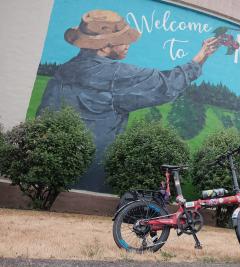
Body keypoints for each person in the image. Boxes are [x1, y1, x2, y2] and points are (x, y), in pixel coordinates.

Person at [38, 10, 219, 192]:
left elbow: (43, 118)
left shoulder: (63, 71)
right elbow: (167, 85)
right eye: (122, 39)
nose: (128, 44)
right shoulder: (116, 75)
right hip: (95, 174)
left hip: (56, 171)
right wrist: (201, 56)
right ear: (103, 46)